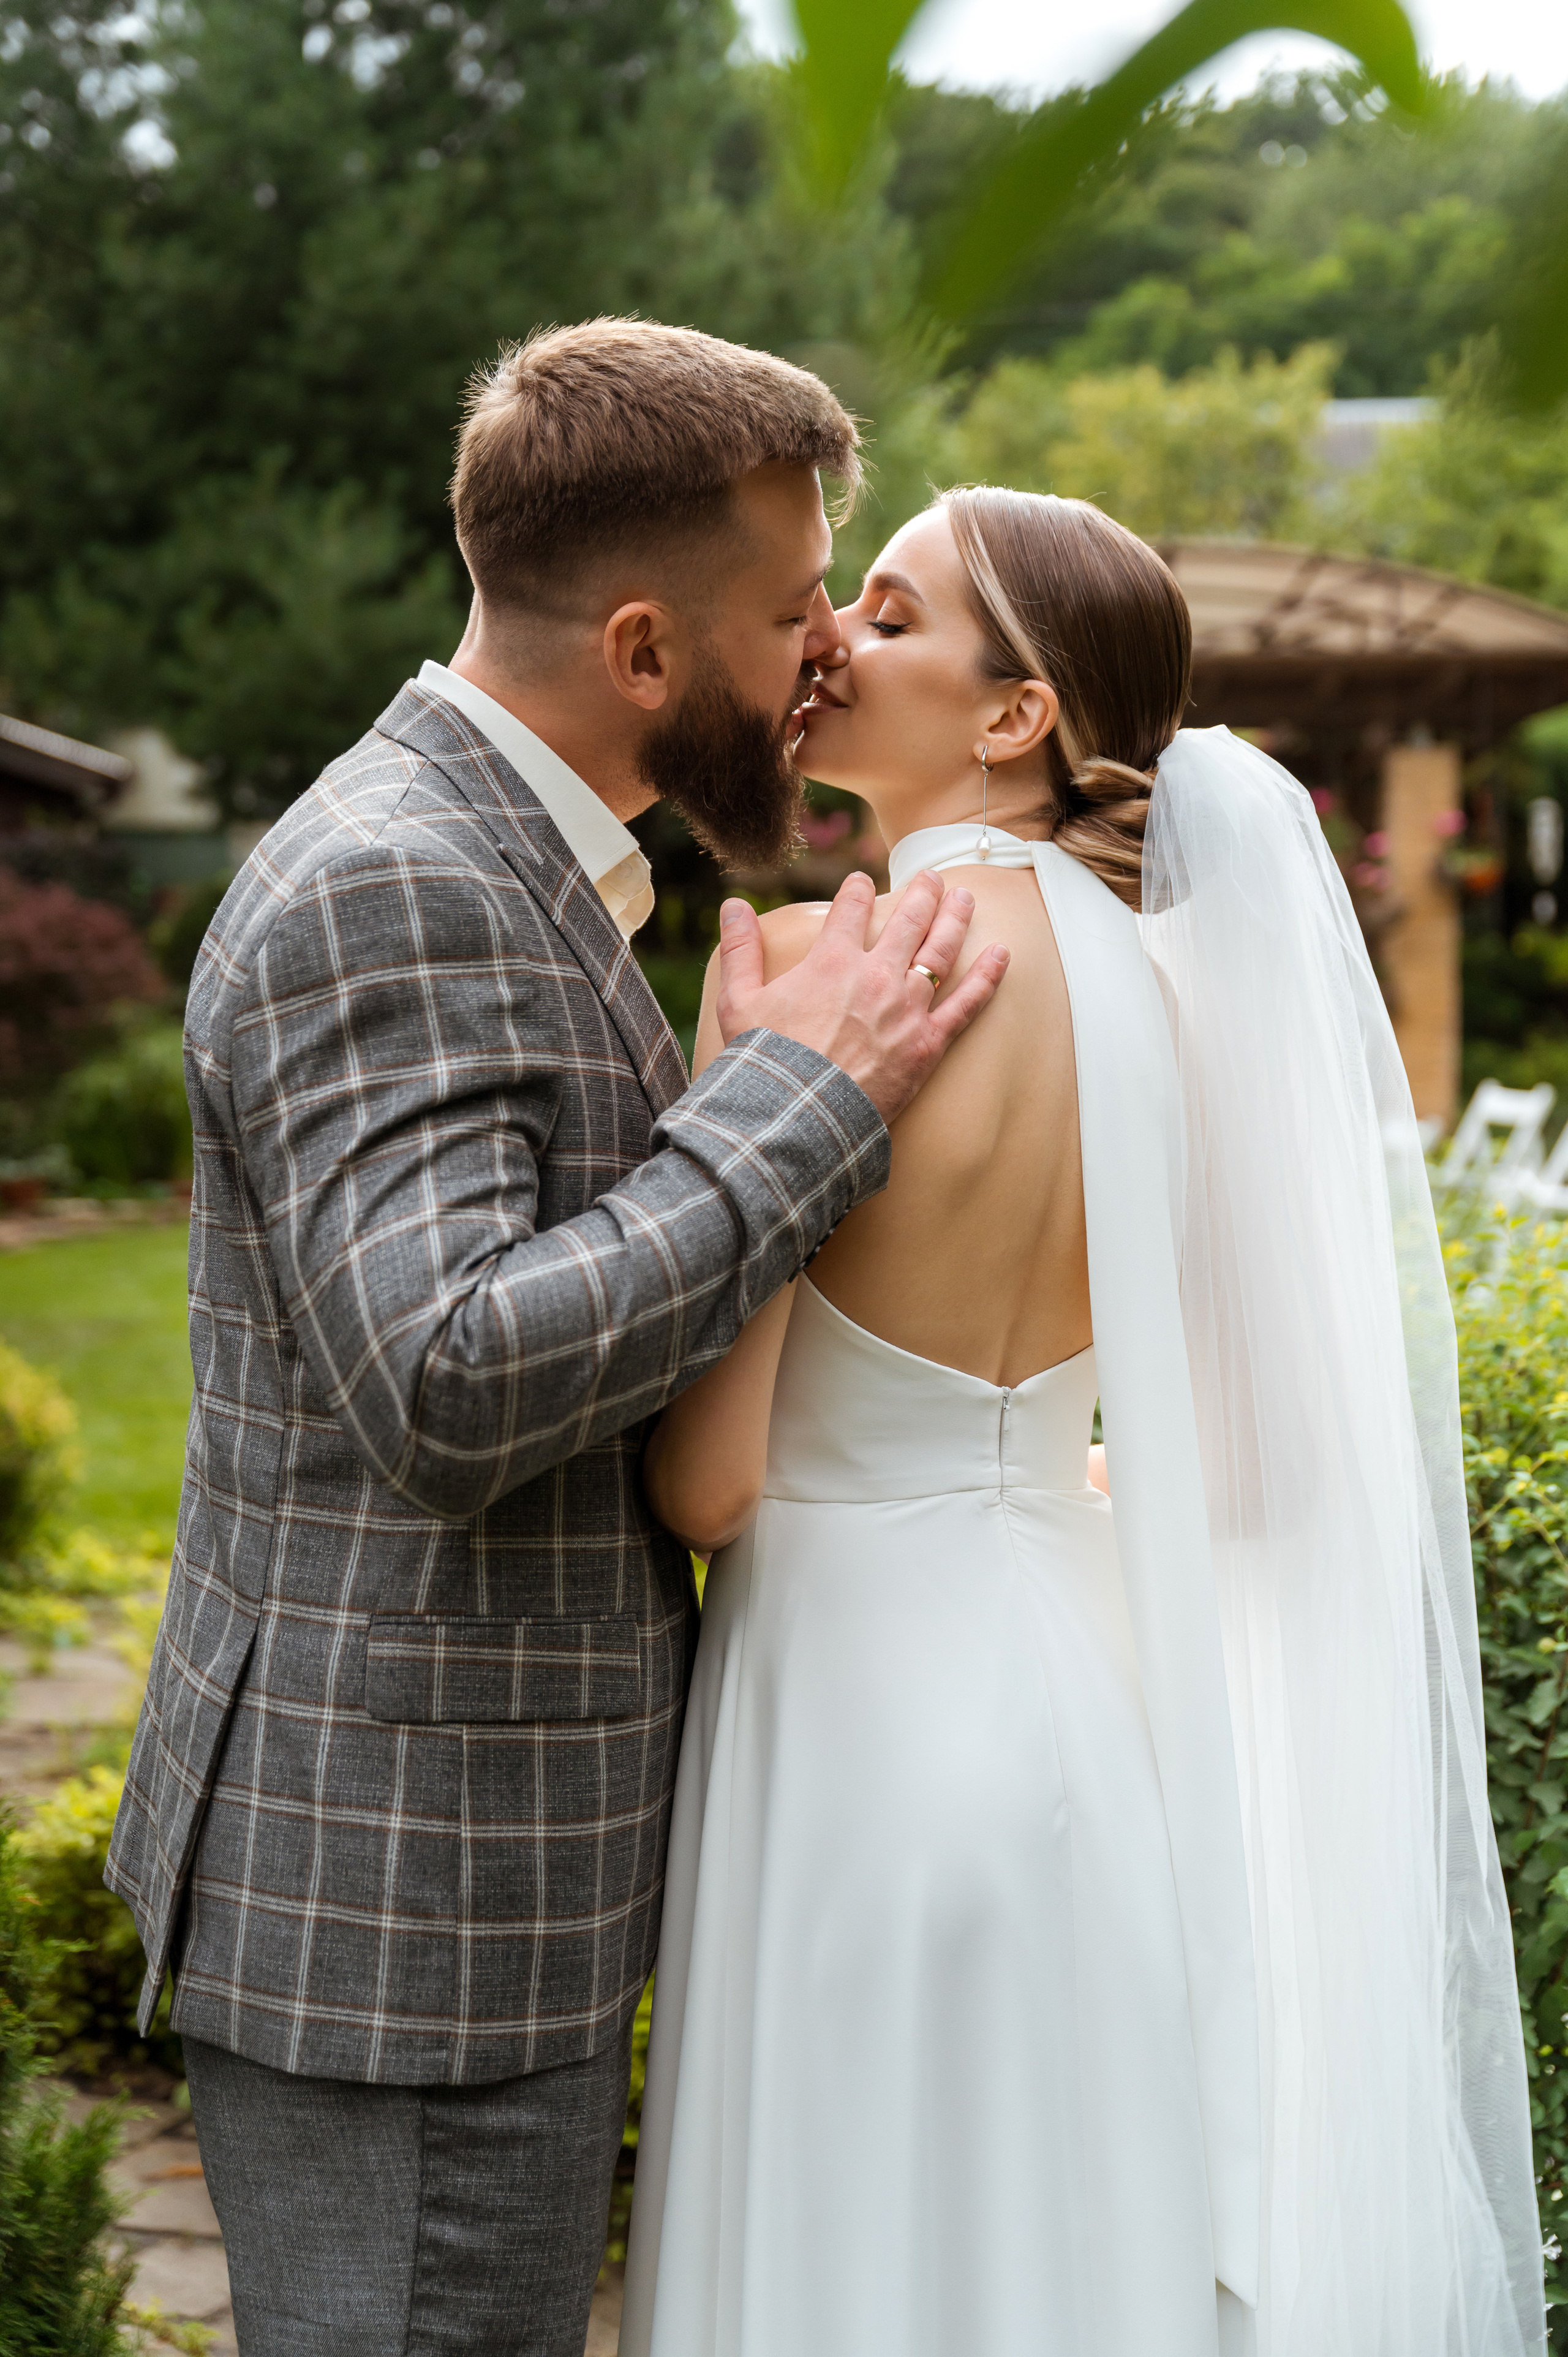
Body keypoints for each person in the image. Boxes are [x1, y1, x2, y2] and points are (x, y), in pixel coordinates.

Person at [104, 320, 1009, 2357]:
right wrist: (807, 1105)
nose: (823, 661)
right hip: (406, 1923)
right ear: (637, 650)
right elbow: (444, 1378)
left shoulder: (520, 862)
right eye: (790, 612)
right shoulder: (397, 881)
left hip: (473, 1889)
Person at [622, 488, 1545, 2357]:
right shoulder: (1187, 995)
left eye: (887, 618)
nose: (830, 645)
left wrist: (728, 1099)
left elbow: (710, 1484)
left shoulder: (823, 977)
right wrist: (1037, 1462)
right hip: (1093, 1715)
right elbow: (1268, 1465)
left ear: (1013, 715)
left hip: (854, 1711)